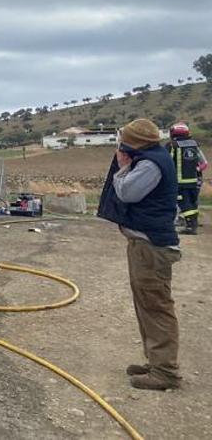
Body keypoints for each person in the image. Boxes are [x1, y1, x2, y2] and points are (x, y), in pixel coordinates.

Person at [96, 118, 181, 390]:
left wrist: (122, 168)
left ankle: (165, 372)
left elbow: (127, 193)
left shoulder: (150, 164)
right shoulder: (154, 157)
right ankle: (155, 363)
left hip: (151, 246)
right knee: (147, 305)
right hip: (145, 244)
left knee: (156, 307)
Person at [169, 122, 207, 235]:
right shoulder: (194, 145)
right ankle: (192, 222)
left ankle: (191, 226)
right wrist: (196, 171)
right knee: (192, 203)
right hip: (194, 181)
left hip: (180, 181)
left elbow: (169, 162)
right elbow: (204, 163)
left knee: (184, 203)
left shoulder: (174, 145)